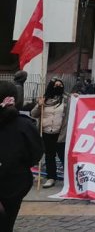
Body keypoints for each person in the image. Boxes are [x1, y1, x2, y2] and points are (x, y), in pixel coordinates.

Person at [0, 80, 43, 232]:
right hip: (16, 183)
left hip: (13, 181)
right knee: (7, 223)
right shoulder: (26, 125)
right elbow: (36, 153)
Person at [30, 77, 69, 188]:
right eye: (56, 85)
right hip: (46, 133)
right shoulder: (44, 100)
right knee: (49, 156)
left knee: (63, 156)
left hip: (60, 133)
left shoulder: (66, 100)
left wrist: (76, 97)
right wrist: (39, 105)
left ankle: (69, 178)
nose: (58, 87)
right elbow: (33, 114)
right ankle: (51, 177)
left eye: (60, 85)